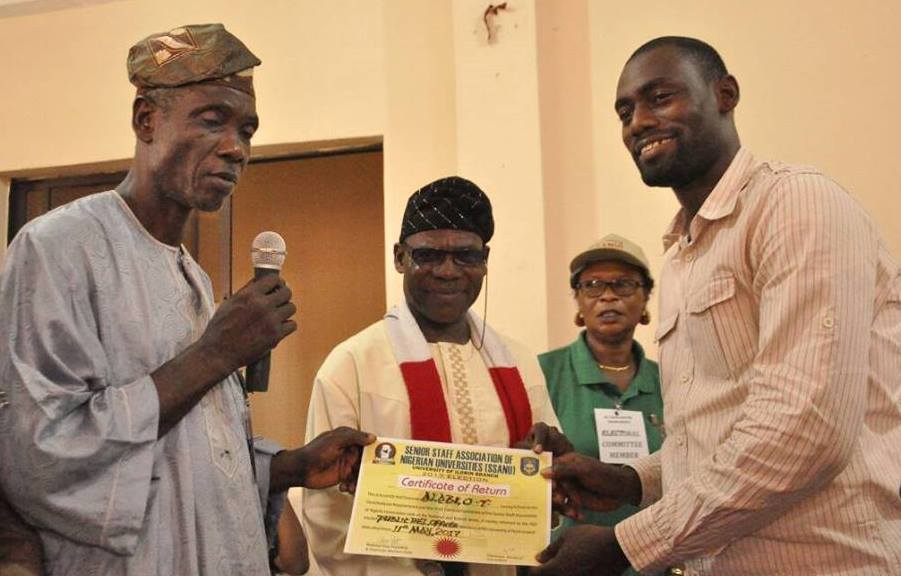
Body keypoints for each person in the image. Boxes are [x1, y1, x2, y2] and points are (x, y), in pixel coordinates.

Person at [0, 24, 374, 576]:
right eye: (211, 120)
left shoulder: (191, 277)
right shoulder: (58, 248)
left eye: (246, 129)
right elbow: (40, 456)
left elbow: (191, 454)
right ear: (145, 120)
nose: (236, 148)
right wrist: (216, 354)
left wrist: (288, 466)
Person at [534, 36, 901, 576]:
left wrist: (623, 545)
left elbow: (804, 428)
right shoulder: (686, 249)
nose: (637, 122)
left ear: (725, 94)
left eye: (660, 97)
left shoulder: (795, 205)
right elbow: (717, 432)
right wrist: (633, 480)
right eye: (624, 111)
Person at [302, 176, 563, 576]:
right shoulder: (353, 363)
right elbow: (325, 511)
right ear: (400, 258)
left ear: (485, 260)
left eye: (466, 257)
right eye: (428, 255)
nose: (447, 271)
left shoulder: (520, 362)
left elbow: (544, 493)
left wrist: (546, 489)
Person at [538, 234, 662, 575]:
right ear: (578, 300)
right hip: (570, 564)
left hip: (656, 564)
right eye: (592, 285)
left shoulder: (674, 380)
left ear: (646, 297)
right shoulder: (540, 374)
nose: (608, 295)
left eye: (623, 285)